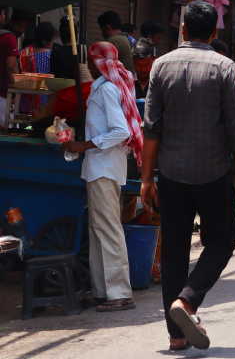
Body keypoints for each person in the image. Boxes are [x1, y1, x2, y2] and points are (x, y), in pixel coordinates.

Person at [141, 0, 235, 352]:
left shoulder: (161, 66)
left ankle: (175, 336)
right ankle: (187, 301)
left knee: (174, 251)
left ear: (184, 30)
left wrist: (146, 178)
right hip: (214, 172)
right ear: (214, 32)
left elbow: (151, 129)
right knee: (221, 242)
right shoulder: (223, 67)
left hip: (171, 173)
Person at [62, 41, 142, 312]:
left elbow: (121, 131)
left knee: (107, 229)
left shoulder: (107, 89)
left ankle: (119, 292)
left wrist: (84, 145)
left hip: (104, 168)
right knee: (99, 230)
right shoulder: (106, 87)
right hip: (101, 168)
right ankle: (102, 290)